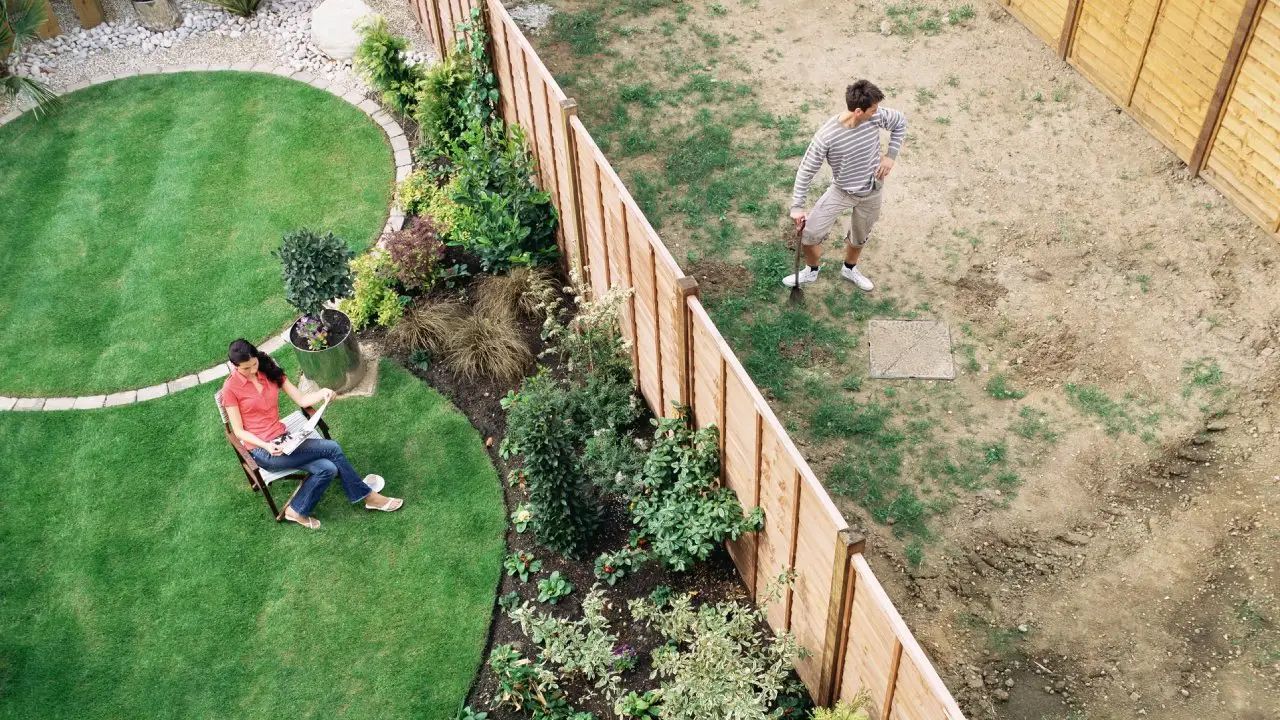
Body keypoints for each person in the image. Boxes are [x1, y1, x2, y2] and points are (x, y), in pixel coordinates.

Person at [220, 338, 403, 529]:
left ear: (256, 356)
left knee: (328, 469)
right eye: (246, 368)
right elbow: (238, 431)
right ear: (234, 366)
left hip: (284, 438)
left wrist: (323, 393)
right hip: (263, 451)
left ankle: (295, 510)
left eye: (254, 364)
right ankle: (368, 497)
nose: (252, 370)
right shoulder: (230, 389)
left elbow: (301, 399)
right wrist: (266, 445)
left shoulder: (267, 368)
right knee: (332, 448)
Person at [783, 79, 908, 292]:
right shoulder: (827, 137)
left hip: (872, 190)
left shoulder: (875, 116)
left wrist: (890, 156)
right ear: (858, 111)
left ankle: (849, 269)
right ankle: (811, 271)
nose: (877, 112)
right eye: (873, 109)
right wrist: (797, 206)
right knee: (809, 235)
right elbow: (806, 171)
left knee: (860, 236)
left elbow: (900, 122)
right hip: (842, 191)